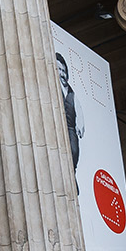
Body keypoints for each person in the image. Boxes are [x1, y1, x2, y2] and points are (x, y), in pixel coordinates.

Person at [56, 53, 84, 190]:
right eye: (59, 70)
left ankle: (72, 177)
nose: (62, 74)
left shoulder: (72, 93)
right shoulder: (54, 88)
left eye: (63, 70)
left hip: (71, 128)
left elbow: (78, 109)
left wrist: (80, 125)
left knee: (74, 152)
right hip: (58, 127)